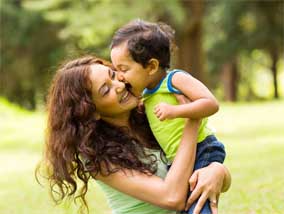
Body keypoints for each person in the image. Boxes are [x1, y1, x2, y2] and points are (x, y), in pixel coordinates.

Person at [37, 55, 231, 214]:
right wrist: (192, 118)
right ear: (91, 111)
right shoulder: (98, 157)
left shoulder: (153, 116)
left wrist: (217, 171)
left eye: (113, 74)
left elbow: (202, 164)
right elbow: (172, 197)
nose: (119, 85)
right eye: (106, 90)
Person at [110, 19, 226, 213]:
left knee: (197, 204)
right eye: (116, 70)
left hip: (201, 148)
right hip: (177, 158)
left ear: (152, 66)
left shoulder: (175, 80)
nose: (120, 77)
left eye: (124, 69)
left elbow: (211, 104)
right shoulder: (146, 94)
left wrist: (177, 111)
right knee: (187, 205)